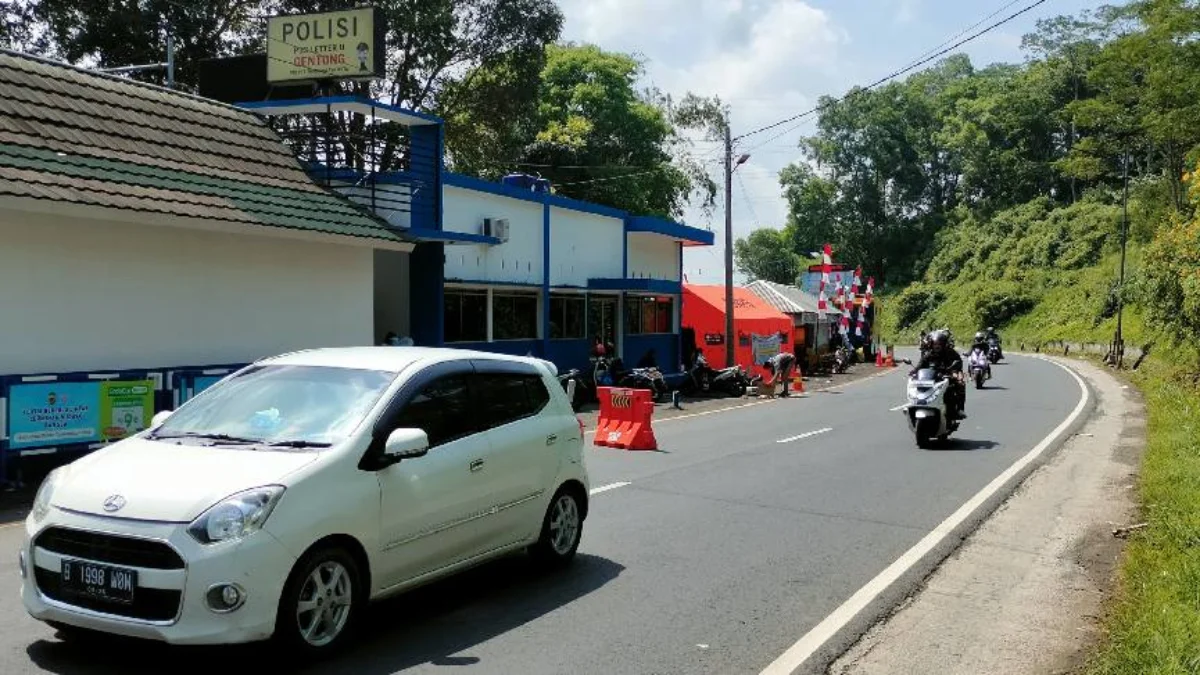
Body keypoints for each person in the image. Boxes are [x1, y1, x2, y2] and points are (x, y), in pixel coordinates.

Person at [912, 330, 966, 420]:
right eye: (935, 344)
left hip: (948, 373)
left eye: (939, 344)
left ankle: (960, 409)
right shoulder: (929, 353)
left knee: (960, 384)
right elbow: (921, 363)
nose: (937, 346)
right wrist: (914, 371)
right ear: (931, 344)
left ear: (943, 344)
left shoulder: (950, 352)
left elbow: (958, 361)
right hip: (932, 376)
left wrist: (953, 370)